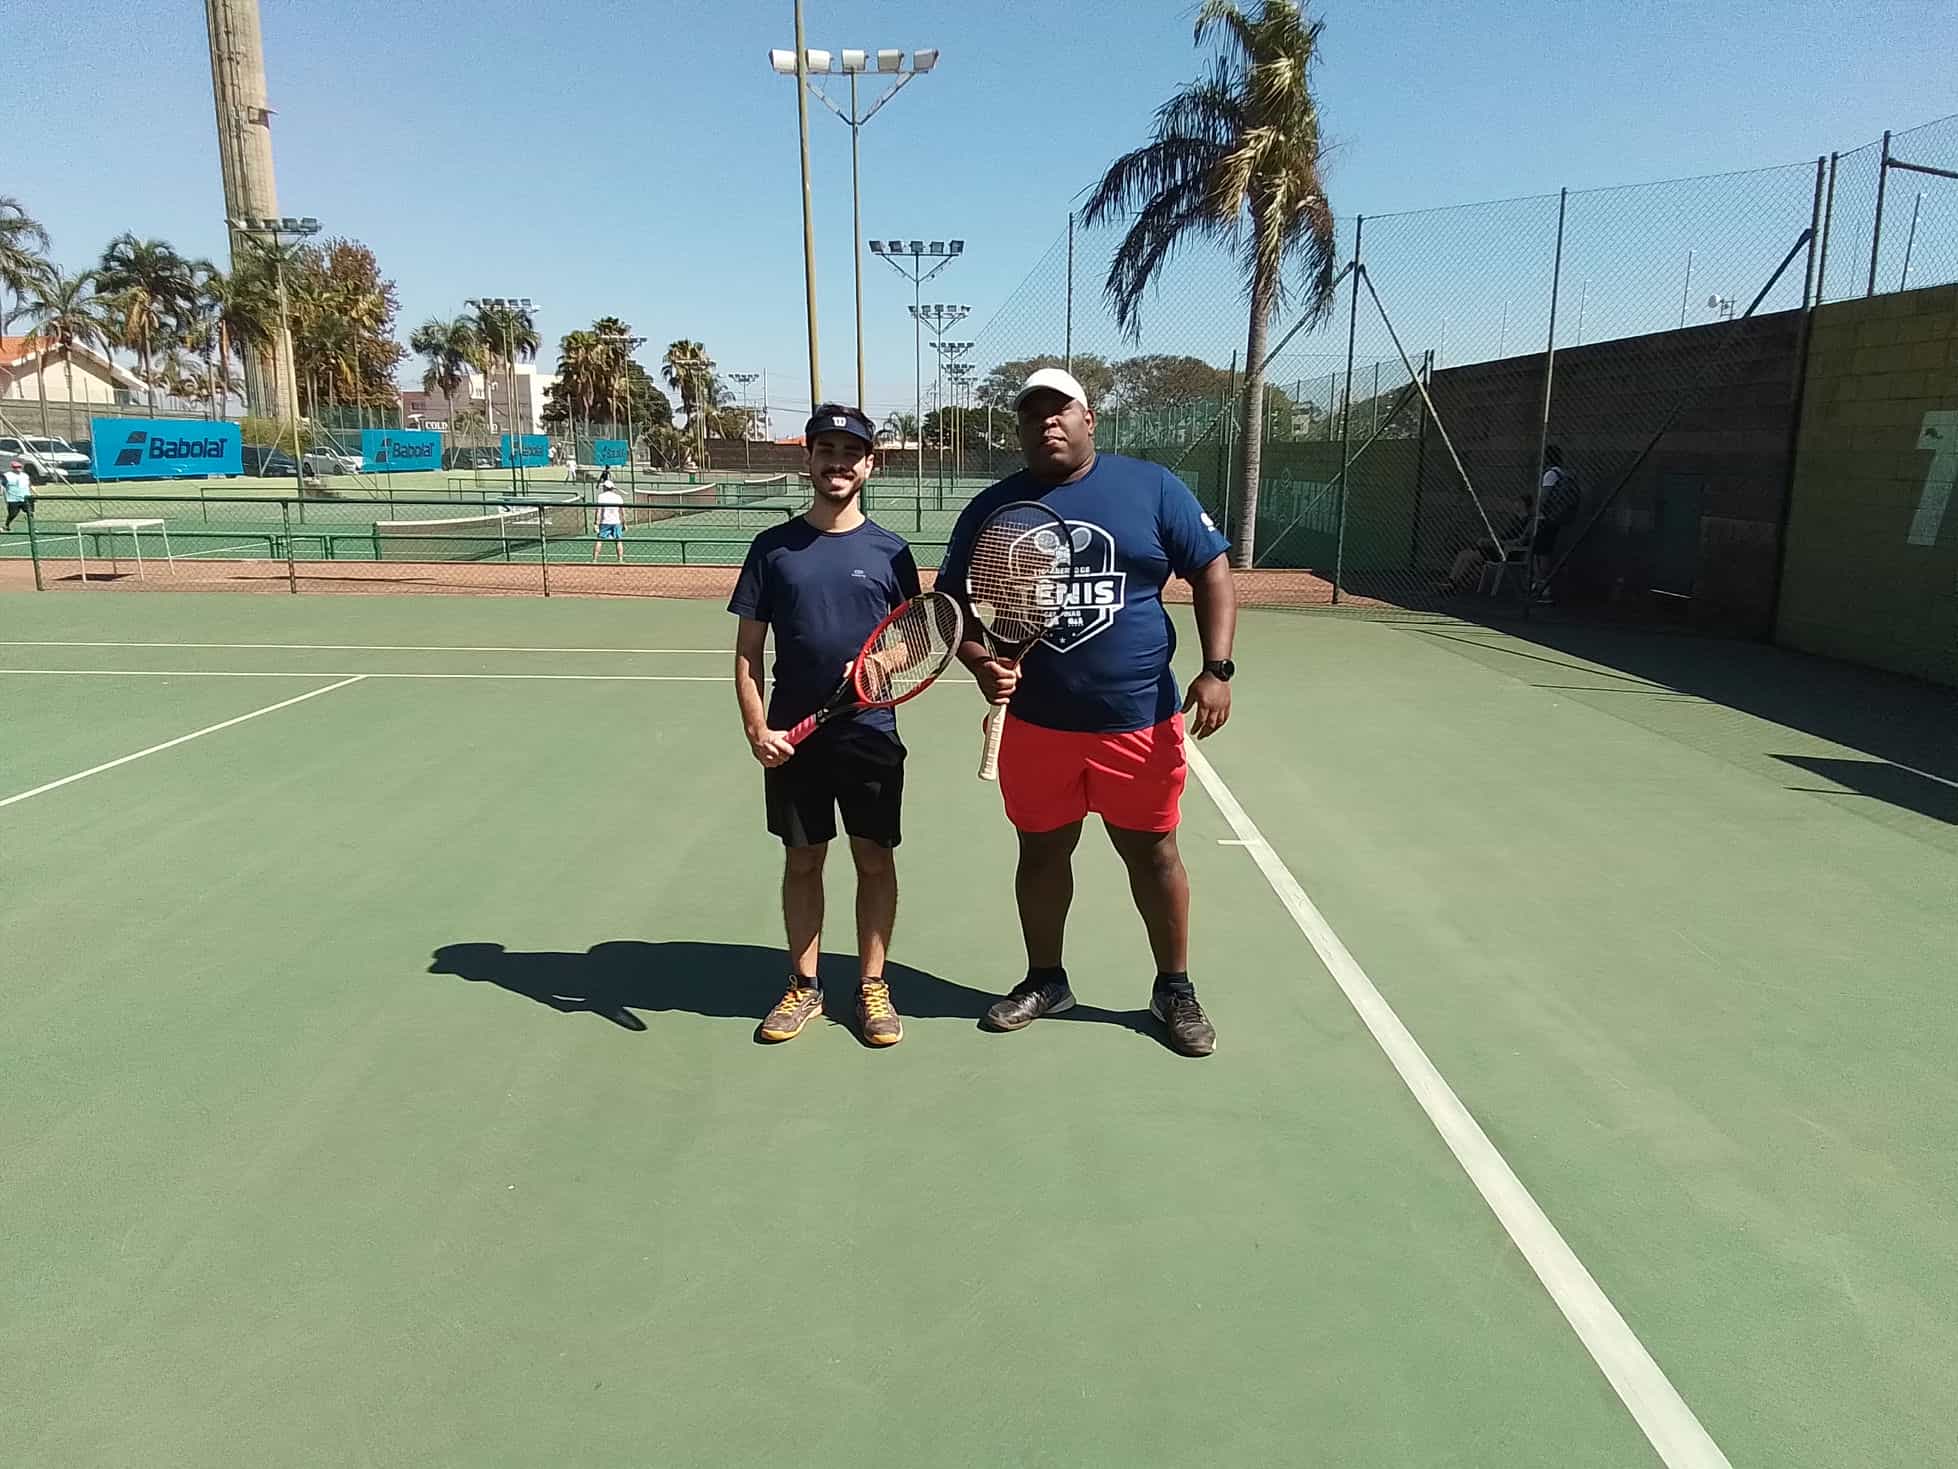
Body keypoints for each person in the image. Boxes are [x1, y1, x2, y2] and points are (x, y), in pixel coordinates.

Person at [939, 368, 1237, 1058]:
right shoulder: (992, 506)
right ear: (1019, 429)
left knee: (1153, 852)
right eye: (1032, 413)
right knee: (1041, 852)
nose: (1048, 422)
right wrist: (981, 663)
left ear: (1089, 419)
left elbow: (1212, 570)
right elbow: (953, 607)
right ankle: (1046, 980)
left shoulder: (1150, 486)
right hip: (1037, 726)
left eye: (1061, 409)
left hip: (1138, 720)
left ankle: (1174, 989)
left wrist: (1217, 668)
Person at [729, 404, 921, 1048]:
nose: (838, 463)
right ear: (808, 460)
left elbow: (917, 639)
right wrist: (758, 730)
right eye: (826, 450)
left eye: (851, 452)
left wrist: (878, 663)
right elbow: (748, 653)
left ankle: (872, 986)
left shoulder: (891, 552)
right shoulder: (772, 549)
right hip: (794, 739)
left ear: (870, 465)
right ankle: (804, 987)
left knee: (874, 860)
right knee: (803, 859)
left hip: (870, 734)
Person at [1531, 444, 1580, 600]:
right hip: (1557, 517)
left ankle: (1542, 586)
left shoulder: (1550, 474)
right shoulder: (1562, 473)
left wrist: (1537, 511)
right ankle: (1541, 585)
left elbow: (1545, 496)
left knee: (1540, 552)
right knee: (1544, 551)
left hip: (1547, 518)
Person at [592, 469, 625, 563]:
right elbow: (622, 512)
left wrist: (596, 523)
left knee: (599, 540)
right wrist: (624, 523)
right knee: (618, 541)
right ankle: (620, 560)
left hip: (605, 522)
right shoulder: (618, 497)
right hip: (616, 522)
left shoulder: (601, 496)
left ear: (605, 487)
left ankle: (594, 560)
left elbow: (599, 511)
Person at [3, 459, 32, 530]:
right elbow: (3, 487)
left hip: (25, 498)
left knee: (30, 513)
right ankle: (6, 526)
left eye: (19, 467)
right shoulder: (7, 475)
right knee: (13, 514)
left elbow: (29, 485)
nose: (18, 468)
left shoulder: (25, 475)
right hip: (13, 499)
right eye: (15, 467)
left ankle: (32, 528)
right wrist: (5, 498)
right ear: (12, 467)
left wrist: (35, 493)